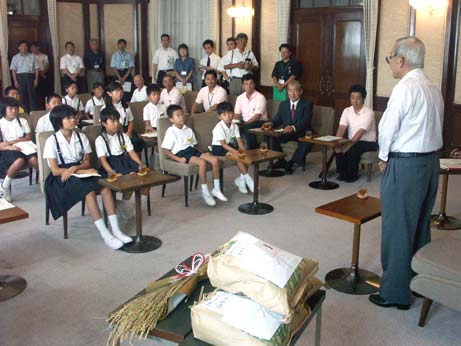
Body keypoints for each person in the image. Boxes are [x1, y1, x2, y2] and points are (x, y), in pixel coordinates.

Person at [368, 36, 443, 310]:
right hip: (431, 164)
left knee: (397, 229)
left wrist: (383, 158)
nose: (389, 62)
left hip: (406, 165)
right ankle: (419, 283)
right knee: (421, 225)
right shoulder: (433, 88)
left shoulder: (404, 88)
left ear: (401, 60)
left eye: (389, 57)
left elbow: (387, 129)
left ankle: (395, 293)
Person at [43, 105, 132, 250]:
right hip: (61, 178)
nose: (73, 120)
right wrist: (75, 171)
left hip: (81, 171)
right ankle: (105, 234)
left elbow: (87, 163)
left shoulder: (81, 136)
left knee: (105, 186)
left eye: (74, 117)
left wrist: (77, 169)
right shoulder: (52, 141)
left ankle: (116, 230)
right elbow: (55, 170)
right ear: (59, 121)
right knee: (89, 191)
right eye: (68, 118)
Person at [161, 105, 227, 206]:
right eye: (178, 116)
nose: (181, 117)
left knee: (214, 160)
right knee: (202, 163)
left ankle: (216, 189)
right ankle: (205, 192)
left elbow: (193, 146)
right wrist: (178, 159)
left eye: (182, 114)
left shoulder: (188, 130)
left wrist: (203, 153)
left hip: (192, 150)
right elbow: (165, 150)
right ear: (171, 119)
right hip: (181, 153)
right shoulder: (171, 131)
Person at [264, 80, 313, 174]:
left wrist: (293, 127)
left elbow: (306, 121)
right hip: (287, 132)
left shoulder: (307, 104)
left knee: (307, 142)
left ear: (300, 92)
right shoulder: (284, 104)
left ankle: (291, 162)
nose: (292, 94)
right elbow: (278, 118)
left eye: (295, 91)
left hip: (301, 132)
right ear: (287, 92)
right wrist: (270, 124)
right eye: (290, 91)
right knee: (268, 136)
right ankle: (281, 160)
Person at [334, 85, 377, 182]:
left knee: (353, 149)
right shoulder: (347, 110)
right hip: (353, 139)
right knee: (338, 147)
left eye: (358, 98)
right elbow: (341, 127)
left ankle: (351, 176)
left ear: (364, 99)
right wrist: (336, 142)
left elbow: (360, 132)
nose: (355, 101)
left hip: (368, 142)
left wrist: (349, 145)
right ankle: (342, 173)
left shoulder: (369, 112)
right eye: (352, 98)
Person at [0, 97, 39, 202]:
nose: (14, 111)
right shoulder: (1, 123)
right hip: (7, 150)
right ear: (4, 109)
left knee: (34, 160)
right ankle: (5, 185)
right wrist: (10, 146)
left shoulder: (22, 121)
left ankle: (46, 182)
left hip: (24, 146)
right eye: (11, 109)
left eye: (16, 108)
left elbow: (27, 137)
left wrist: (11, 142)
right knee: (19, 161)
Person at [211, 102, 254, 194]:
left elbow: (239, 141)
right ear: (220, 117)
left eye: (230, 113)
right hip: (218, 148)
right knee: (238, 157)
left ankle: (241, 181)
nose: (228, 116)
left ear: (233, 114)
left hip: (229, 145)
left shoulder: (234, 126)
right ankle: (248, 179)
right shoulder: (218, 127)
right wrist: (236, 152)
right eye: (224, 114)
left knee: (246, 157)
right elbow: (223, 145)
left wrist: (243, 151)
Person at [96, 108, 144, 177]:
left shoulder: (123, 136)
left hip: (125, 161)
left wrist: (141, 165)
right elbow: (103, 161)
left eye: (117, 120)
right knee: (128, 176)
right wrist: (112, 172)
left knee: (140, 175)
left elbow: (132, 153)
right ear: (104, 124)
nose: (116, 124)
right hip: (111, 164)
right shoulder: (100, 140)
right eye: (113, 121)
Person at [103, 82, 143, 152]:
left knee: (136, 142)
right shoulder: (105, 108)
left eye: (120, 90)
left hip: (126, 129)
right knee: (122, 145)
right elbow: (104, 125)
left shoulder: (126, 106)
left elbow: (131, 121)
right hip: (114, 132)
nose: (119, 93)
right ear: (109, 94)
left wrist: (129, 132)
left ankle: (136, 160)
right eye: (116, 91)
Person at [234, 74, 268, 149]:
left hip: (259, 122)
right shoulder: (240, 98)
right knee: (231, 126)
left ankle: (252, 149)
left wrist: (244, 125)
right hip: (244, 122)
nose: (248, 86)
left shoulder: (260, 97)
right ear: (243, 86)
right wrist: (234, 124)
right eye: (246, 84)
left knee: (247, 128)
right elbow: (237, 114)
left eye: (251, 83)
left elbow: (257, 117)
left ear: (254, 84)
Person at [10, 40, 39, 112]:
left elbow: (36, 69)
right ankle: (23, 112)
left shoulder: (32, 56)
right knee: (21, 96)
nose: (24, 48)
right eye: (22, 46)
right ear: (18, 48)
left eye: (25, 46)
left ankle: (33, 112)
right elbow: (13, 70)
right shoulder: (15, 57)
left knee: (32, 96)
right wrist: (15, 81)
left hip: (30, 77)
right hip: (20, 77)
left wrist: (36, 79)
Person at [30, 41, 50, 107]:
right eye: (31, 48)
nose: (32, 49)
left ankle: (44, 106)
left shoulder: (44, 56)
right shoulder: (29, 56)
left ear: (38, 48)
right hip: (33, 76)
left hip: (43, 75)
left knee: (43, 92)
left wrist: (42, 73)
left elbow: (47, 65)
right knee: (34, 93)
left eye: (34, 47)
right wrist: (40, 73)